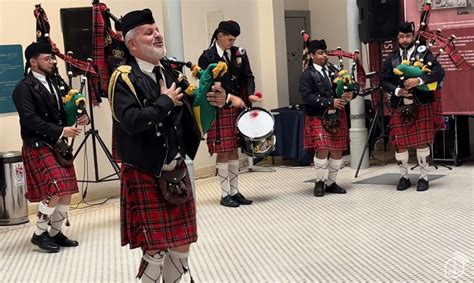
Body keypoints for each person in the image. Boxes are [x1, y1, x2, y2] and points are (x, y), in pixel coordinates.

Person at [109, 9, 227, 282]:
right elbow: (129, 121)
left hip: (176, 170)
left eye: (157, 29)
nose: (157, 35)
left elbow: (191, 111)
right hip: (145, 170)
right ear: (132, 44)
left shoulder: (171, 72)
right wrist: (163, 103)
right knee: (156, 250)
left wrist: (214, 102)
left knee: (182, 245)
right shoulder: (123, 77)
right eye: (148, 32)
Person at [12, 42, 88, 252]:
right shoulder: (23, 88)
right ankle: (39, 234)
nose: (52, 61)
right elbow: (30, 119)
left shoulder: (53, 83)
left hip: (56, 144)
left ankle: (54, 233)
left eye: (52, 58)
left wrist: (79, 117)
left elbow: (62, 113)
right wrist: (62, 131)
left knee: (66, 192)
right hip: (38, 144)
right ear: (33, 61)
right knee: (54, 189)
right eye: (47, 58)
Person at [198, 20, 262, 208]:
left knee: (234, 149)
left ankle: (235, 191)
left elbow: (248, 76)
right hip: (219, 108)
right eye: (230, 39)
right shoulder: (207, 57)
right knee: (223, 150)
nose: (232, 43)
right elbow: (206, 85)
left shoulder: (239, 53)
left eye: (234, 40)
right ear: (219, 35)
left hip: (238, 107)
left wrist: (250, 93)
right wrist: (228, 98)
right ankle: (225, 194)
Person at [381, 21, 445, 192]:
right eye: (401, 37)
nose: (404, 40)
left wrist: (418, 80)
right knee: (400, 143)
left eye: (408, 36)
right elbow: (383, 80)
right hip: (399, 104)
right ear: (397, 38)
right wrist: (397, 91)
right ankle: (404, 178)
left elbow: (439, 72)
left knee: (422, 142)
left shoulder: (424, 54)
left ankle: (424, 178)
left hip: (420, 102)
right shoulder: (392, 57)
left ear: (413, 36)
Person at [298, 39, 354, 197]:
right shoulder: (307, 75)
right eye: (320, 53)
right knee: (322, 148)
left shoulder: (335, 71)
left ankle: (331, 182)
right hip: (318, 115)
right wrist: (330, 102)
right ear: (311, 55)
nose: (324, 56)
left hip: (337, 115)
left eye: (325, 52)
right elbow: (306, 97)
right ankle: (319, 182)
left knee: (337, 150)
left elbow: (350, 86)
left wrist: (351, 93)